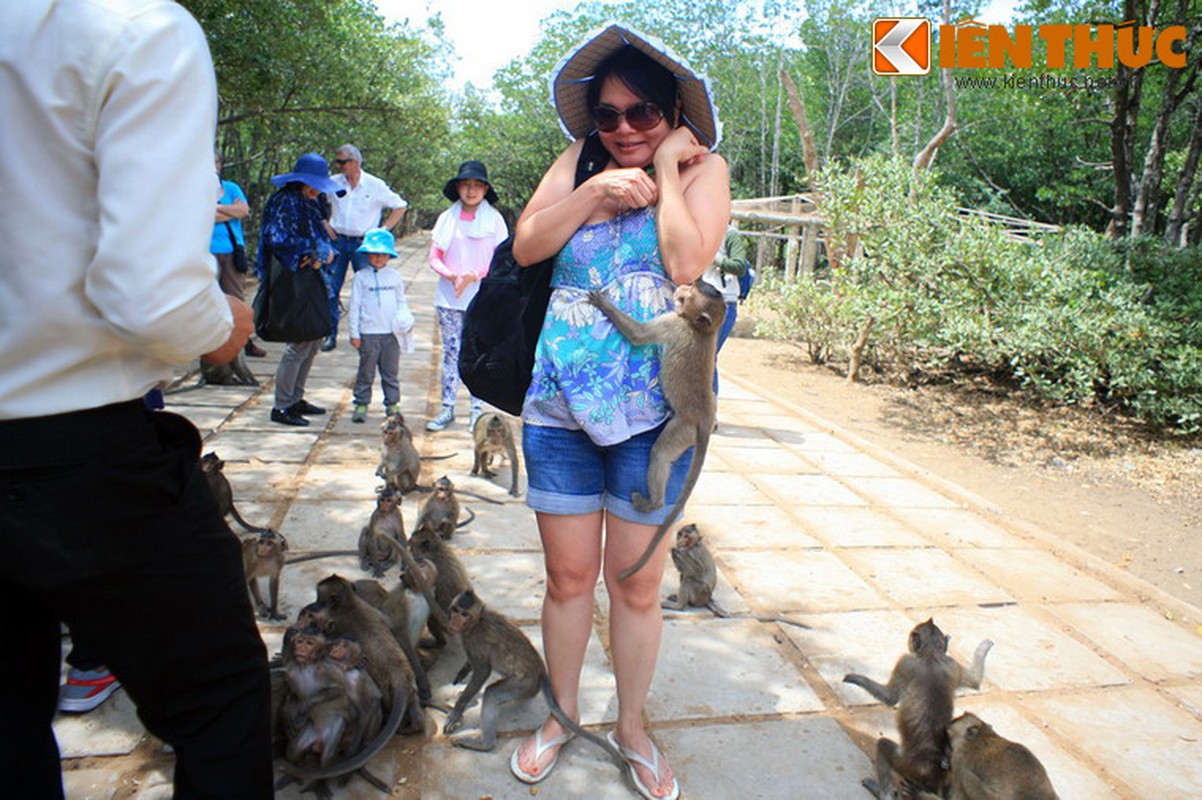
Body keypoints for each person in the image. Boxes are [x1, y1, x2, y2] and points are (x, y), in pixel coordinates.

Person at [0, 2, 273, 798]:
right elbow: (148, 293)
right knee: (221, 702)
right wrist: (222, 327)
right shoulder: (138, 30)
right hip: (79, 451)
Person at [509, 24, 729, 800]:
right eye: (609, 115)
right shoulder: (578, 162)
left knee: (634, 585)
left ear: (673, 112)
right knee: (568, 580)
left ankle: (631, 728)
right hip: (558, 406)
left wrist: (668, 171)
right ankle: (562, 716)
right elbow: (528, 246)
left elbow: (687, 266)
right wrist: (593, 191)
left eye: (644, 113)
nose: (627, 128)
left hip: (653, 415)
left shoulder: (705, 171)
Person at [257, 152, 340, 427]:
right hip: (291, 277)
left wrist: (324, 253)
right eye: (310, 183)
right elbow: (279, 239)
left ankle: (296, 398)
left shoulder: (313, 201)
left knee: (314, 336)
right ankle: (282, 406)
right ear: (299, 180)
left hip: (313, 275)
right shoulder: (286, 200)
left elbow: (320, 233)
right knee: (299, 341)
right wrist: (315, 252)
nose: (315, 189)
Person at [425, 160, 508, 432]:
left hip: (481, 298)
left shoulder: (494, 220)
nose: (471, 191)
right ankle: (447, 408)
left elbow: (502, 259)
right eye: (466, 185)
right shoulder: (446, 219)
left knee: (479, 355)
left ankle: (477, 410)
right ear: (458, 188)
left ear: (485, 189)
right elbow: (434, 256)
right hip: (449, 299)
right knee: (450, 354)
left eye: (477, 185)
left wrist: (475, 275)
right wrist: (451, 275)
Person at [323, 144, 409, 351]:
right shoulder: (333, 183)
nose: (339, 166)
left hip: (364, 244)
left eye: (343, 162)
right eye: (338, 162)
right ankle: (329, 335)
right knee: (331, 289)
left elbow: (400, 205)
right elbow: (318, 202)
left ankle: (366, 334)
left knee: (369, 289)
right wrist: (323, 222)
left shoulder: (375, 185)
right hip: (337, 241)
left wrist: (383, 230)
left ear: (356, 163)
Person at [348, 228, 415, 424]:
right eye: (374, 253)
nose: (378, 257)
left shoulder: (394, 276)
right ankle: (361, 403)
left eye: (382, 254)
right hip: (368, 333)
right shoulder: (361, 277)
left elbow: (401, 301)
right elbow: (355, 306)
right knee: (366, 371)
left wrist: (405, 321)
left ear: (389, 255)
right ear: (367, 254)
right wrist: (355, 333)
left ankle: (392, 404)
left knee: (390, 372)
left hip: (391, 334)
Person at [212, 150, 267, 358]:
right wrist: (229, 210)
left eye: (216, 162)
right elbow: (198, 214)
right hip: (206, 252)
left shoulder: (231, 188)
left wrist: (216, 208)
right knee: (208, 301)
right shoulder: (195, 190)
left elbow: (243, 211)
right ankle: (213, 347)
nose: (213, 166)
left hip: (233, 251)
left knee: (236, 299)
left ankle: (243, 342)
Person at [700, 223, 747, 393]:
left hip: (724, 302)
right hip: (701, 301)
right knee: (701, 358)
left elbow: (739, 266)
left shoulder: (729, 234)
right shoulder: (698, 231)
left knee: (707, 358)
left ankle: (708, 413)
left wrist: (715, 258)